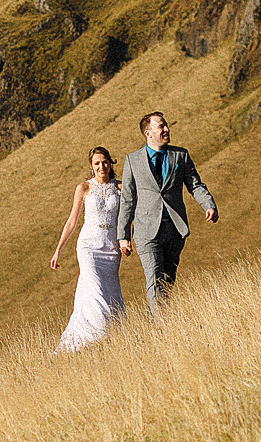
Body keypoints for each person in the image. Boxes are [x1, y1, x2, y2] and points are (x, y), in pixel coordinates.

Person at [117, 111, 218, 312]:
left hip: (174, 228)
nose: (166, 129)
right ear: (148, 133)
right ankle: (161, 326)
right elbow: (127, 199)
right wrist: (123, 236)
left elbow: (195, 185)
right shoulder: (132, 160)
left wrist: (209, 204)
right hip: (146, 231)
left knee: (168, 279)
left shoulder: (180, 155)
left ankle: (167, 320)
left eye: (166, 126)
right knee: (154, 278)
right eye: (161, 126)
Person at [51, 146, 125, 351]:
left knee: (109, 291)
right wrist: (58, 250)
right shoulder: (84, 188)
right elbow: (72, 221)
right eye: (97, 163)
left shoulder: (120, 187)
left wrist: (125, 239)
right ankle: (99, 333)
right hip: (89, 246)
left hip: (111, 248)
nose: (102, 166)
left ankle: (86, 339)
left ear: (111, 163)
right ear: (91, 167)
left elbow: (128, 216)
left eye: (105, 162)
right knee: (94, 288)